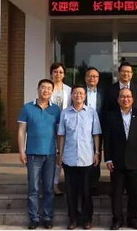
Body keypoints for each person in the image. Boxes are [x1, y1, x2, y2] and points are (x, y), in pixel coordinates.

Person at [17, 79, 61, 230]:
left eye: (49, 88)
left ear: (52, 91)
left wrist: (59, 152)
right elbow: (21, 131)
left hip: (51, 154)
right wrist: (21, 150)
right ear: (38, 89)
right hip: (33, 154)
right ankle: (34, 218)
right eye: (43, 87)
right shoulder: (27, 108)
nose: (46, 90)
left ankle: (47, 217)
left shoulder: (56, 110)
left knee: (48, 188)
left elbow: (59, 133)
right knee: (34, 188)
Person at [58, 86, 102, 230]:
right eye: (75, 93)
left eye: (81, 93)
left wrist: (97, 152)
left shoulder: (91, 112)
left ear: (85, 96)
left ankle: (87, 219)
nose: (78, 95)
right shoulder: (65, 113)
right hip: (69, 158)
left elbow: (96, 134)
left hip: (86, 158)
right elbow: (62, 135)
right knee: (71, 192)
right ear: (71, 95)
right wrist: (60, 153)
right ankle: (73, 219)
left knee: (86, 191)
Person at [104, 88, 137, 230]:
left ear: (133, 99)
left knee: (134, 193)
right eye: (122, 97)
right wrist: (108, 158)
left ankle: (133, 219)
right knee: (116, 193)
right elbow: (107, 139)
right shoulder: (110, 116)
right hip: (116, 161)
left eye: (128, 96)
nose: (125, 99)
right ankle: (117, 219)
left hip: (134, 161)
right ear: (118, 100)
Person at [50, 62, 72, 196]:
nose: (58, 74)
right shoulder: (47, 88)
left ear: (64, 74)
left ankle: (55, 184)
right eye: (55, 71)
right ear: (51, 73)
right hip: (49, 126)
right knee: (50, 155)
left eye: (61, 72)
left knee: (60, 155)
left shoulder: (69, 90)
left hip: (64, 127)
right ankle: (46, 183)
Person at [83, 67, 105, 190]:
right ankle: (84, 182)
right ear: (85, 78)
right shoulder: (80, 92)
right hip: (83, 129)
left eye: (95, 76)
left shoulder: (104, 93)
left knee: (97, 154)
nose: (92, 78)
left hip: (99, 128)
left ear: (98, 79)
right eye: (90, 76)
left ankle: (94, 184)